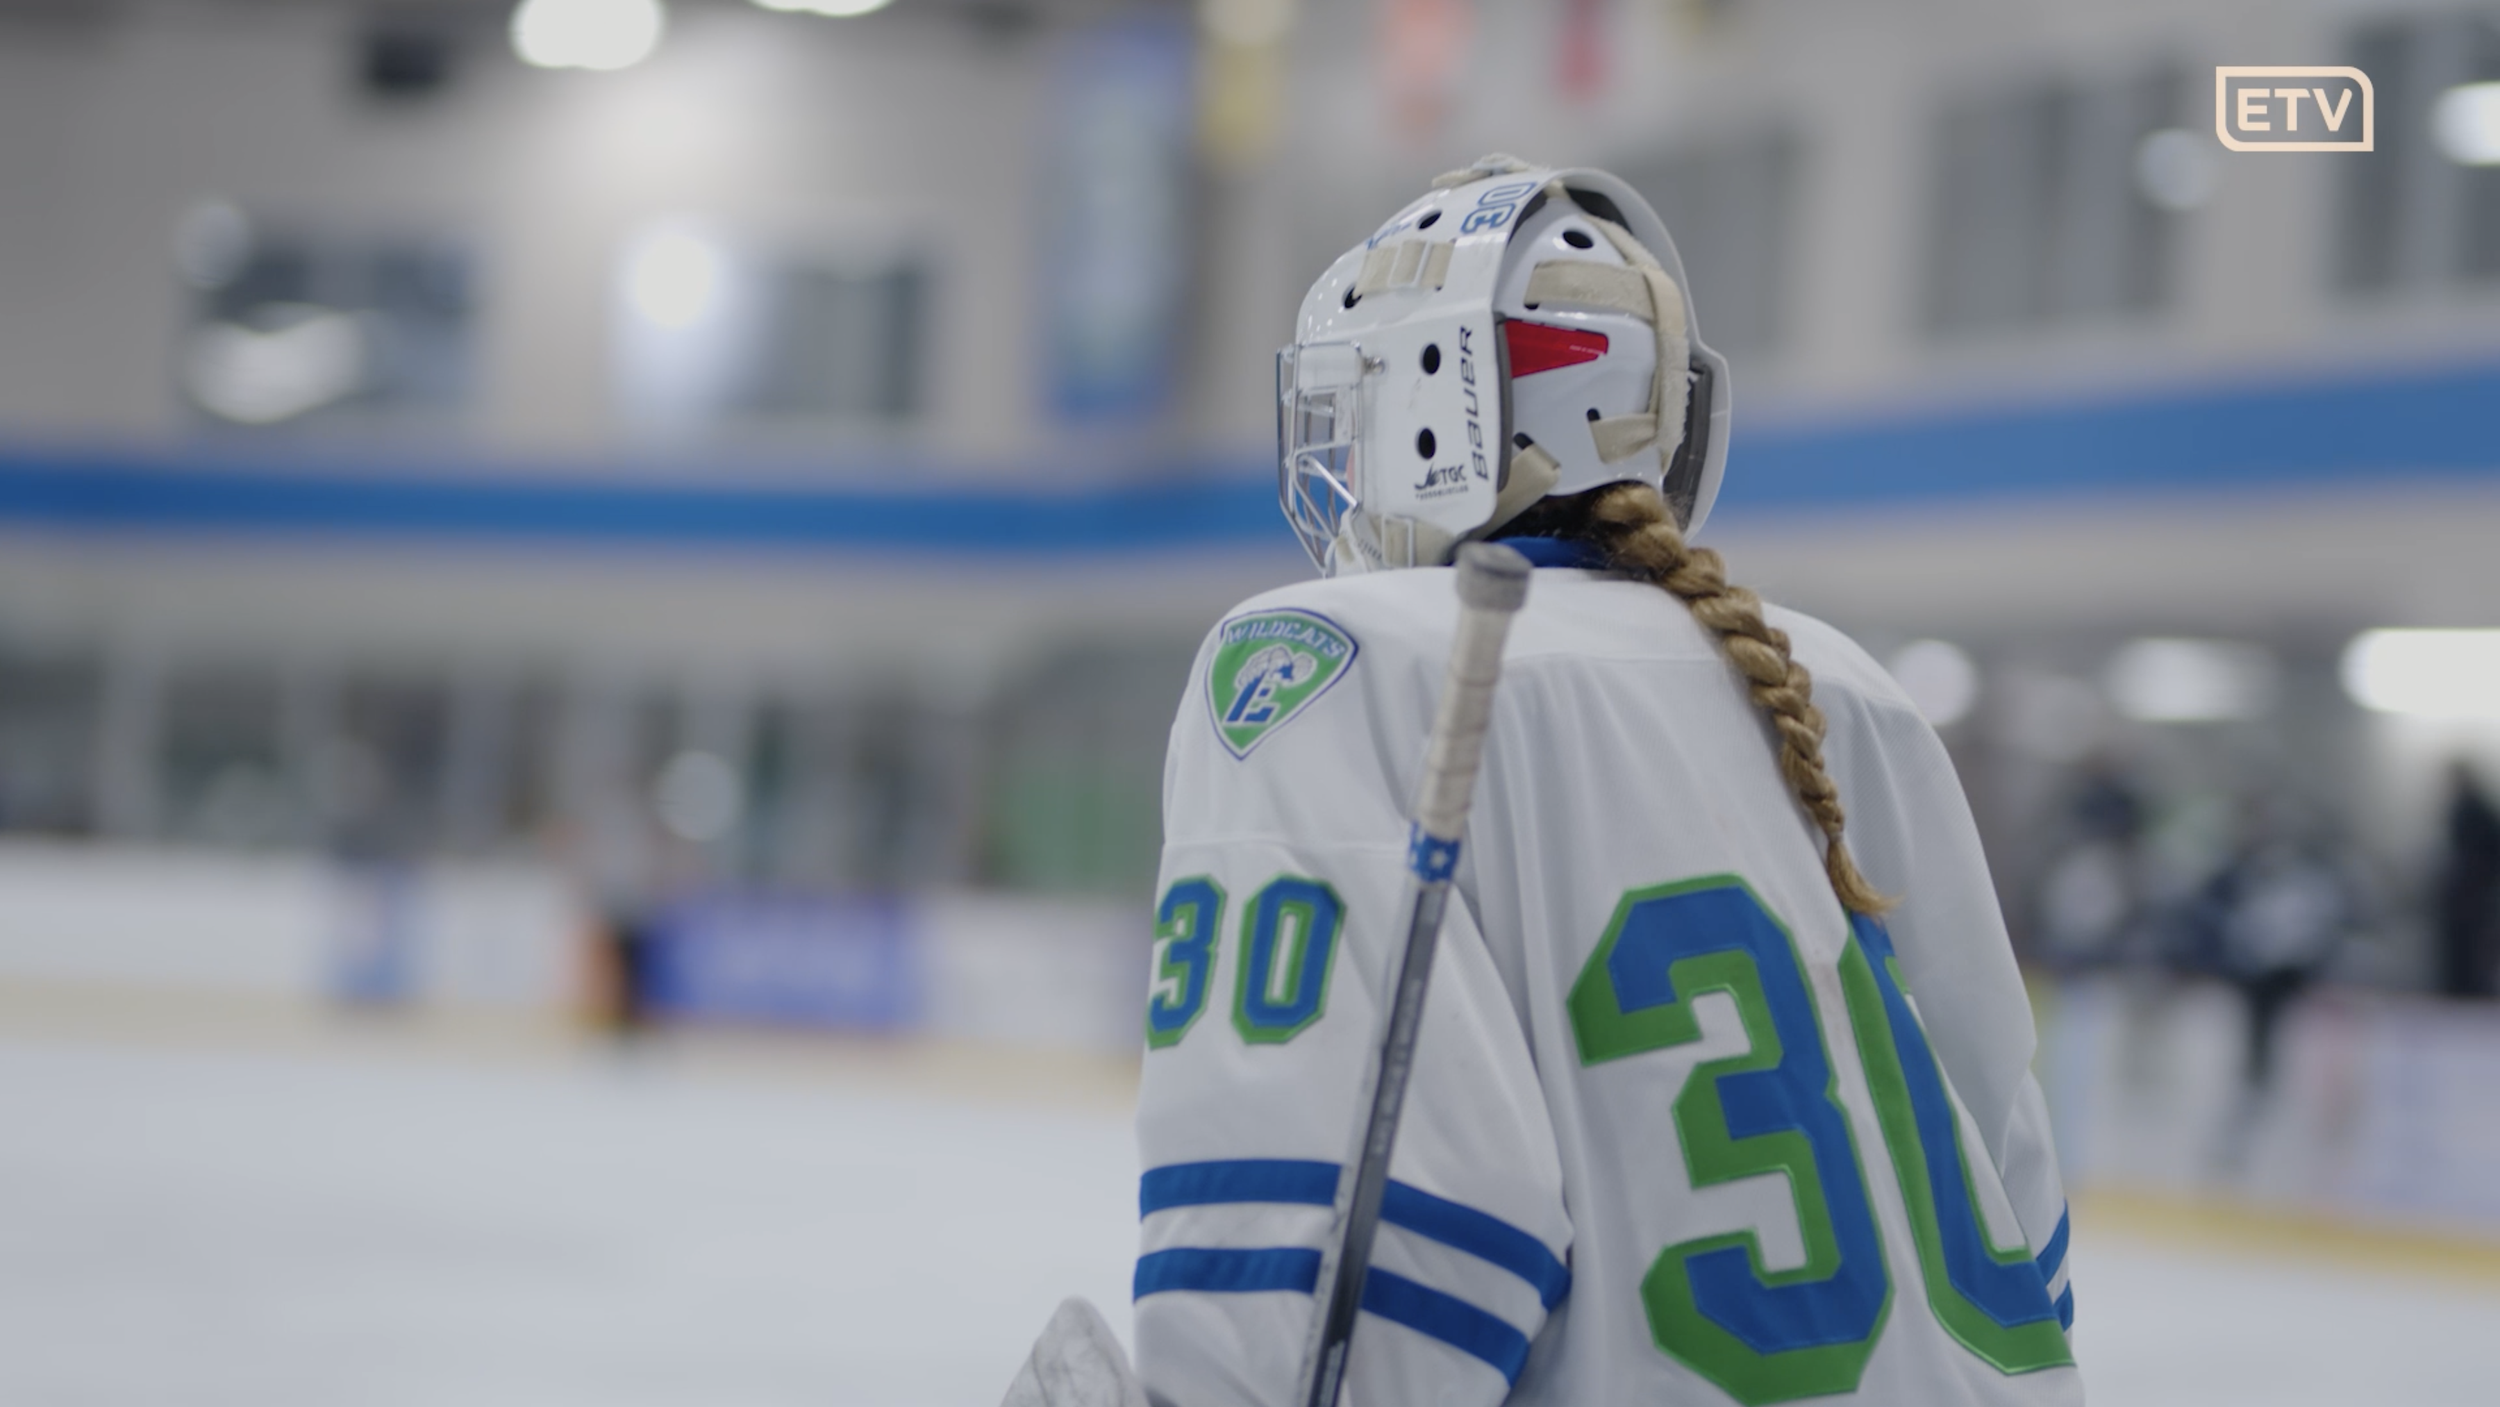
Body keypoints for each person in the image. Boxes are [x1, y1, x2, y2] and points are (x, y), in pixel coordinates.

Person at [1007, 157, 2079, 1407]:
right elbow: (2020, 1206)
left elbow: (1364, 1271)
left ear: (1431, 397)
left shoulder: (1331, 661)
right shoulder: (1849, 690)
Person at [2434, 761, 2500, 1000]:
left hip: (2470, 896)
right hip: (2470, 895)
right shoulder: (2475, 810)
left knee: (2468, 955)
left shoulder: (2472, 811)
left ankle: (2464, 996)